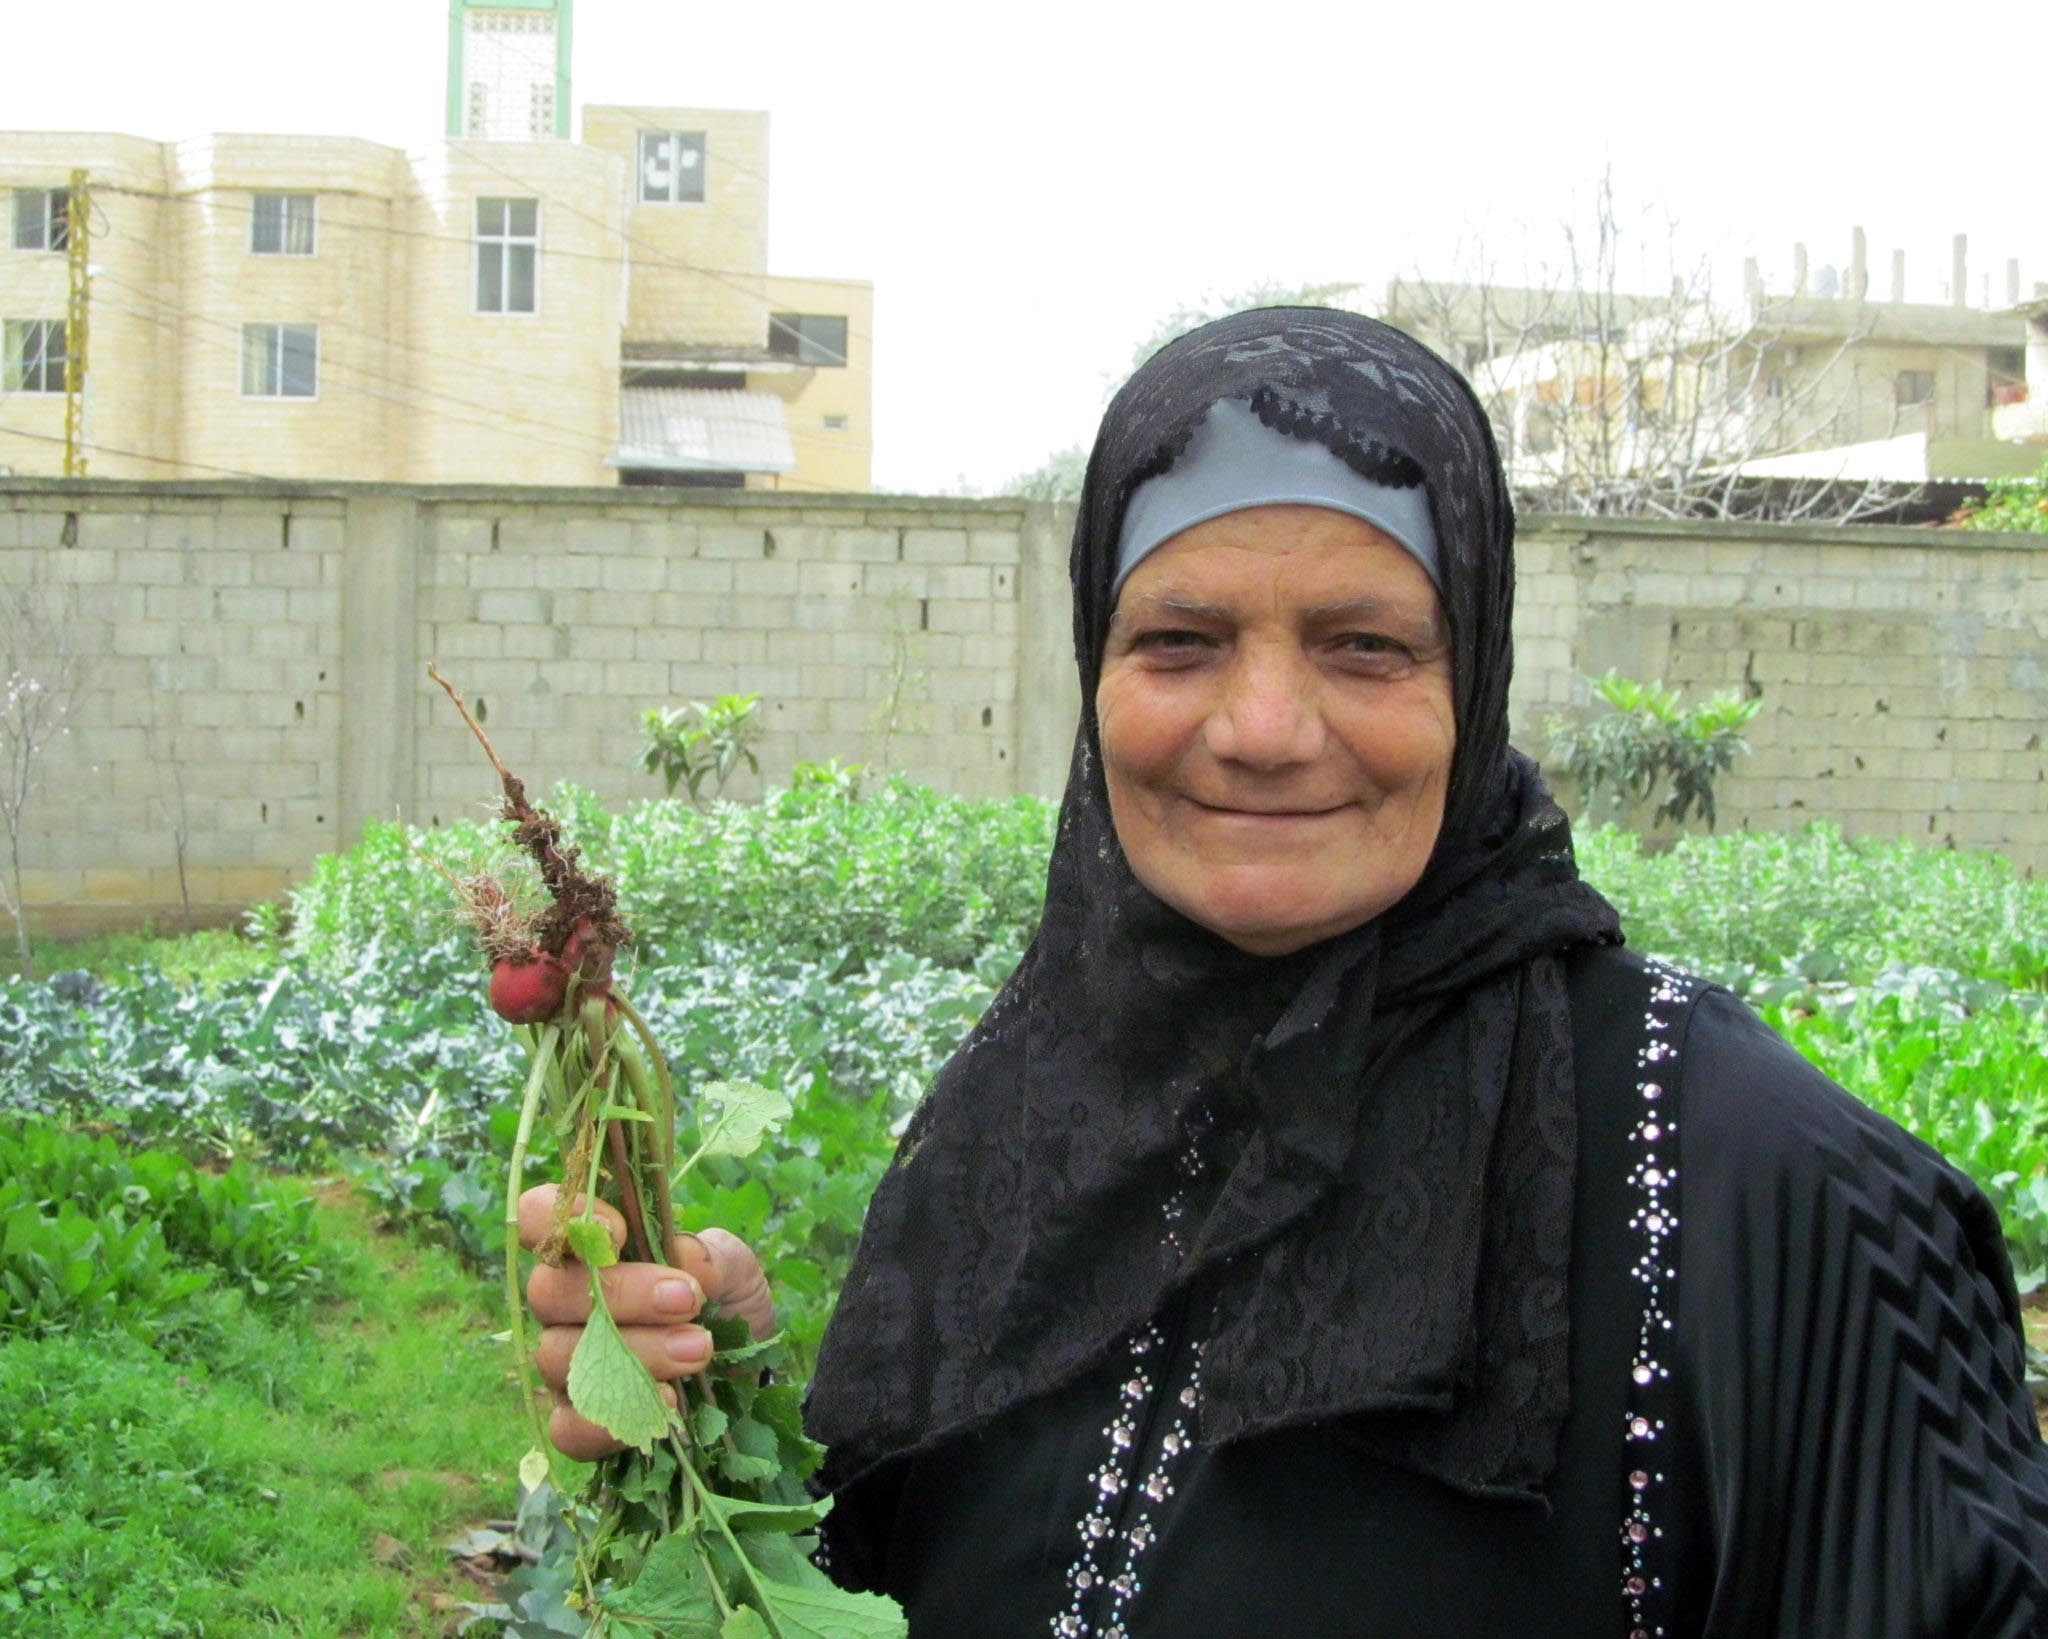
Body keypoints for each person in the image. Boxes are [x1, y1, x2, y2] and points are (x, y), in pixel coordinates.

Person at [521, 308, 2048, 1637]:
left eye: (1365, 646)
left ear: (1479, 675)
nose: (1260, 726)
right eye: (1179, 639)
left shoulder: (1760, 1194)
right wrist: (728, 1420)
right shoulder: (1034, 1118)